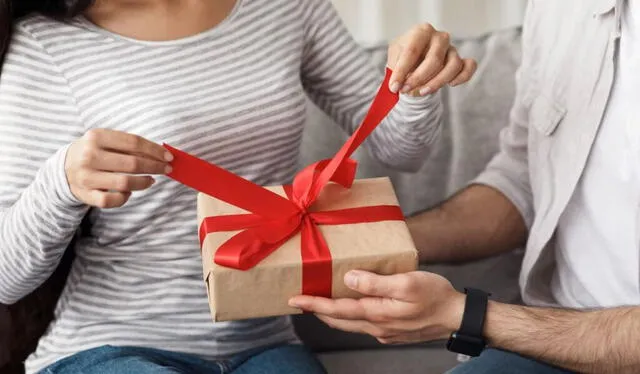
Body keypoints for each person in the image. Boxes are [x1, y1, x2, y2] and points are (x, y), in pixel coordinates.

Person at [0, 0, 477, 373]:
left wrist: (416, 81)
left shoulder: (284, 8)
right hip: (109, 342)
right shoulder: (47, 44)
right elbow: (6, 279)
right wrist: (61, 181)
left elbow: (401, 150)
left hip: (264, 342)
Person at [290, 0, 640, 373]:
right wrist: (376, 240)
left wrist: (466, 315)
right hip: (559, 338)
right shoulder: (561, 9)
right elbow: (524, 183)